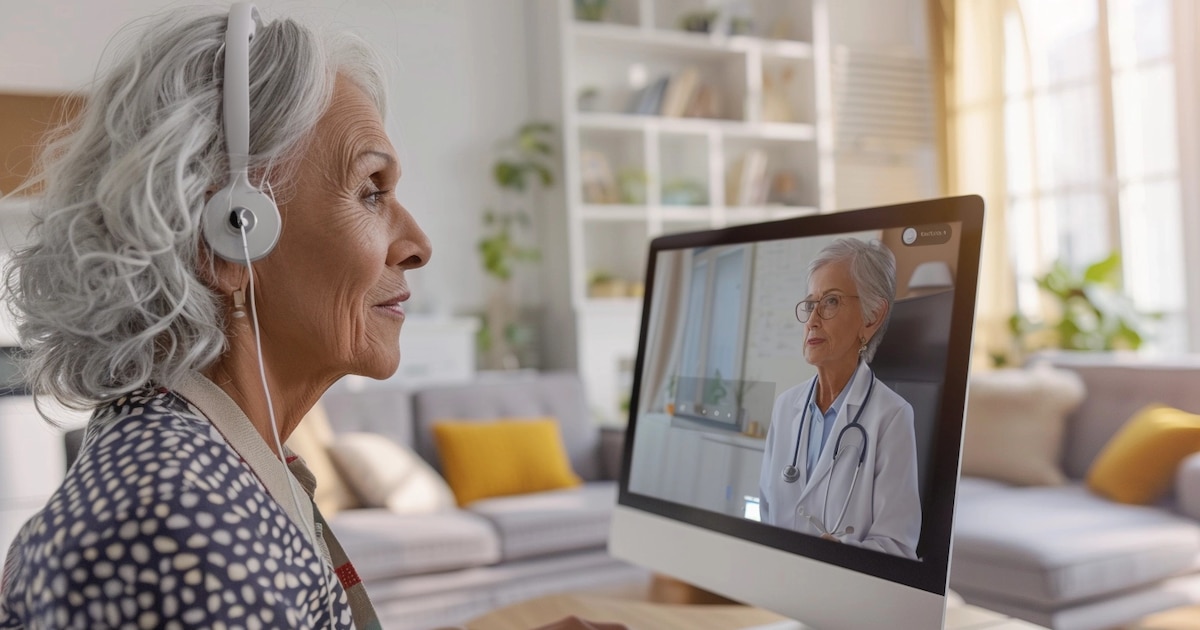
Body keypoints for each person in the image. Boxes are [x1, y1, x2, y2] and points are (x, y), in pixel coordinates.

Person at [0, 5, 431, 628]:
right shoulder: (179, 529)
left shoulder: (217, 466)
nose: (418, 243)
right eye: (371, 190)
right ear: (230, 238)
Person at [757, 238, 921, 559]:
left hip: (846, 596)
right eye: (810, 303)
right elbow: (767, 514)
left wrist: (841, 554)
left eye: (830, 302)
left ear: (871, 318)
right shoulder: (785, 407)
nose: (813, 319)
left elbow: (898, 548)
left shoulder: (892, 416)